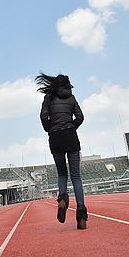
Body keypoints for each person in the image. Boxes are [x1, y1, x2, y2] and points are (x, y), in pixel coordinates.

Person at [35, 72, 88, 230]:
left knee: (62, 174)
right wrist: (71, 126)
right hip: (70, 136)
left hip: (55, 138)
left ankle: (63, 198)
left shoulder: (48, 98)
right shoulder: (71, 98)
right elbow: (80, 117)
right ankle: (81, 216)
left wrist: (50, 129)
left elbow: (43, 116)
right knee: (76, 176)